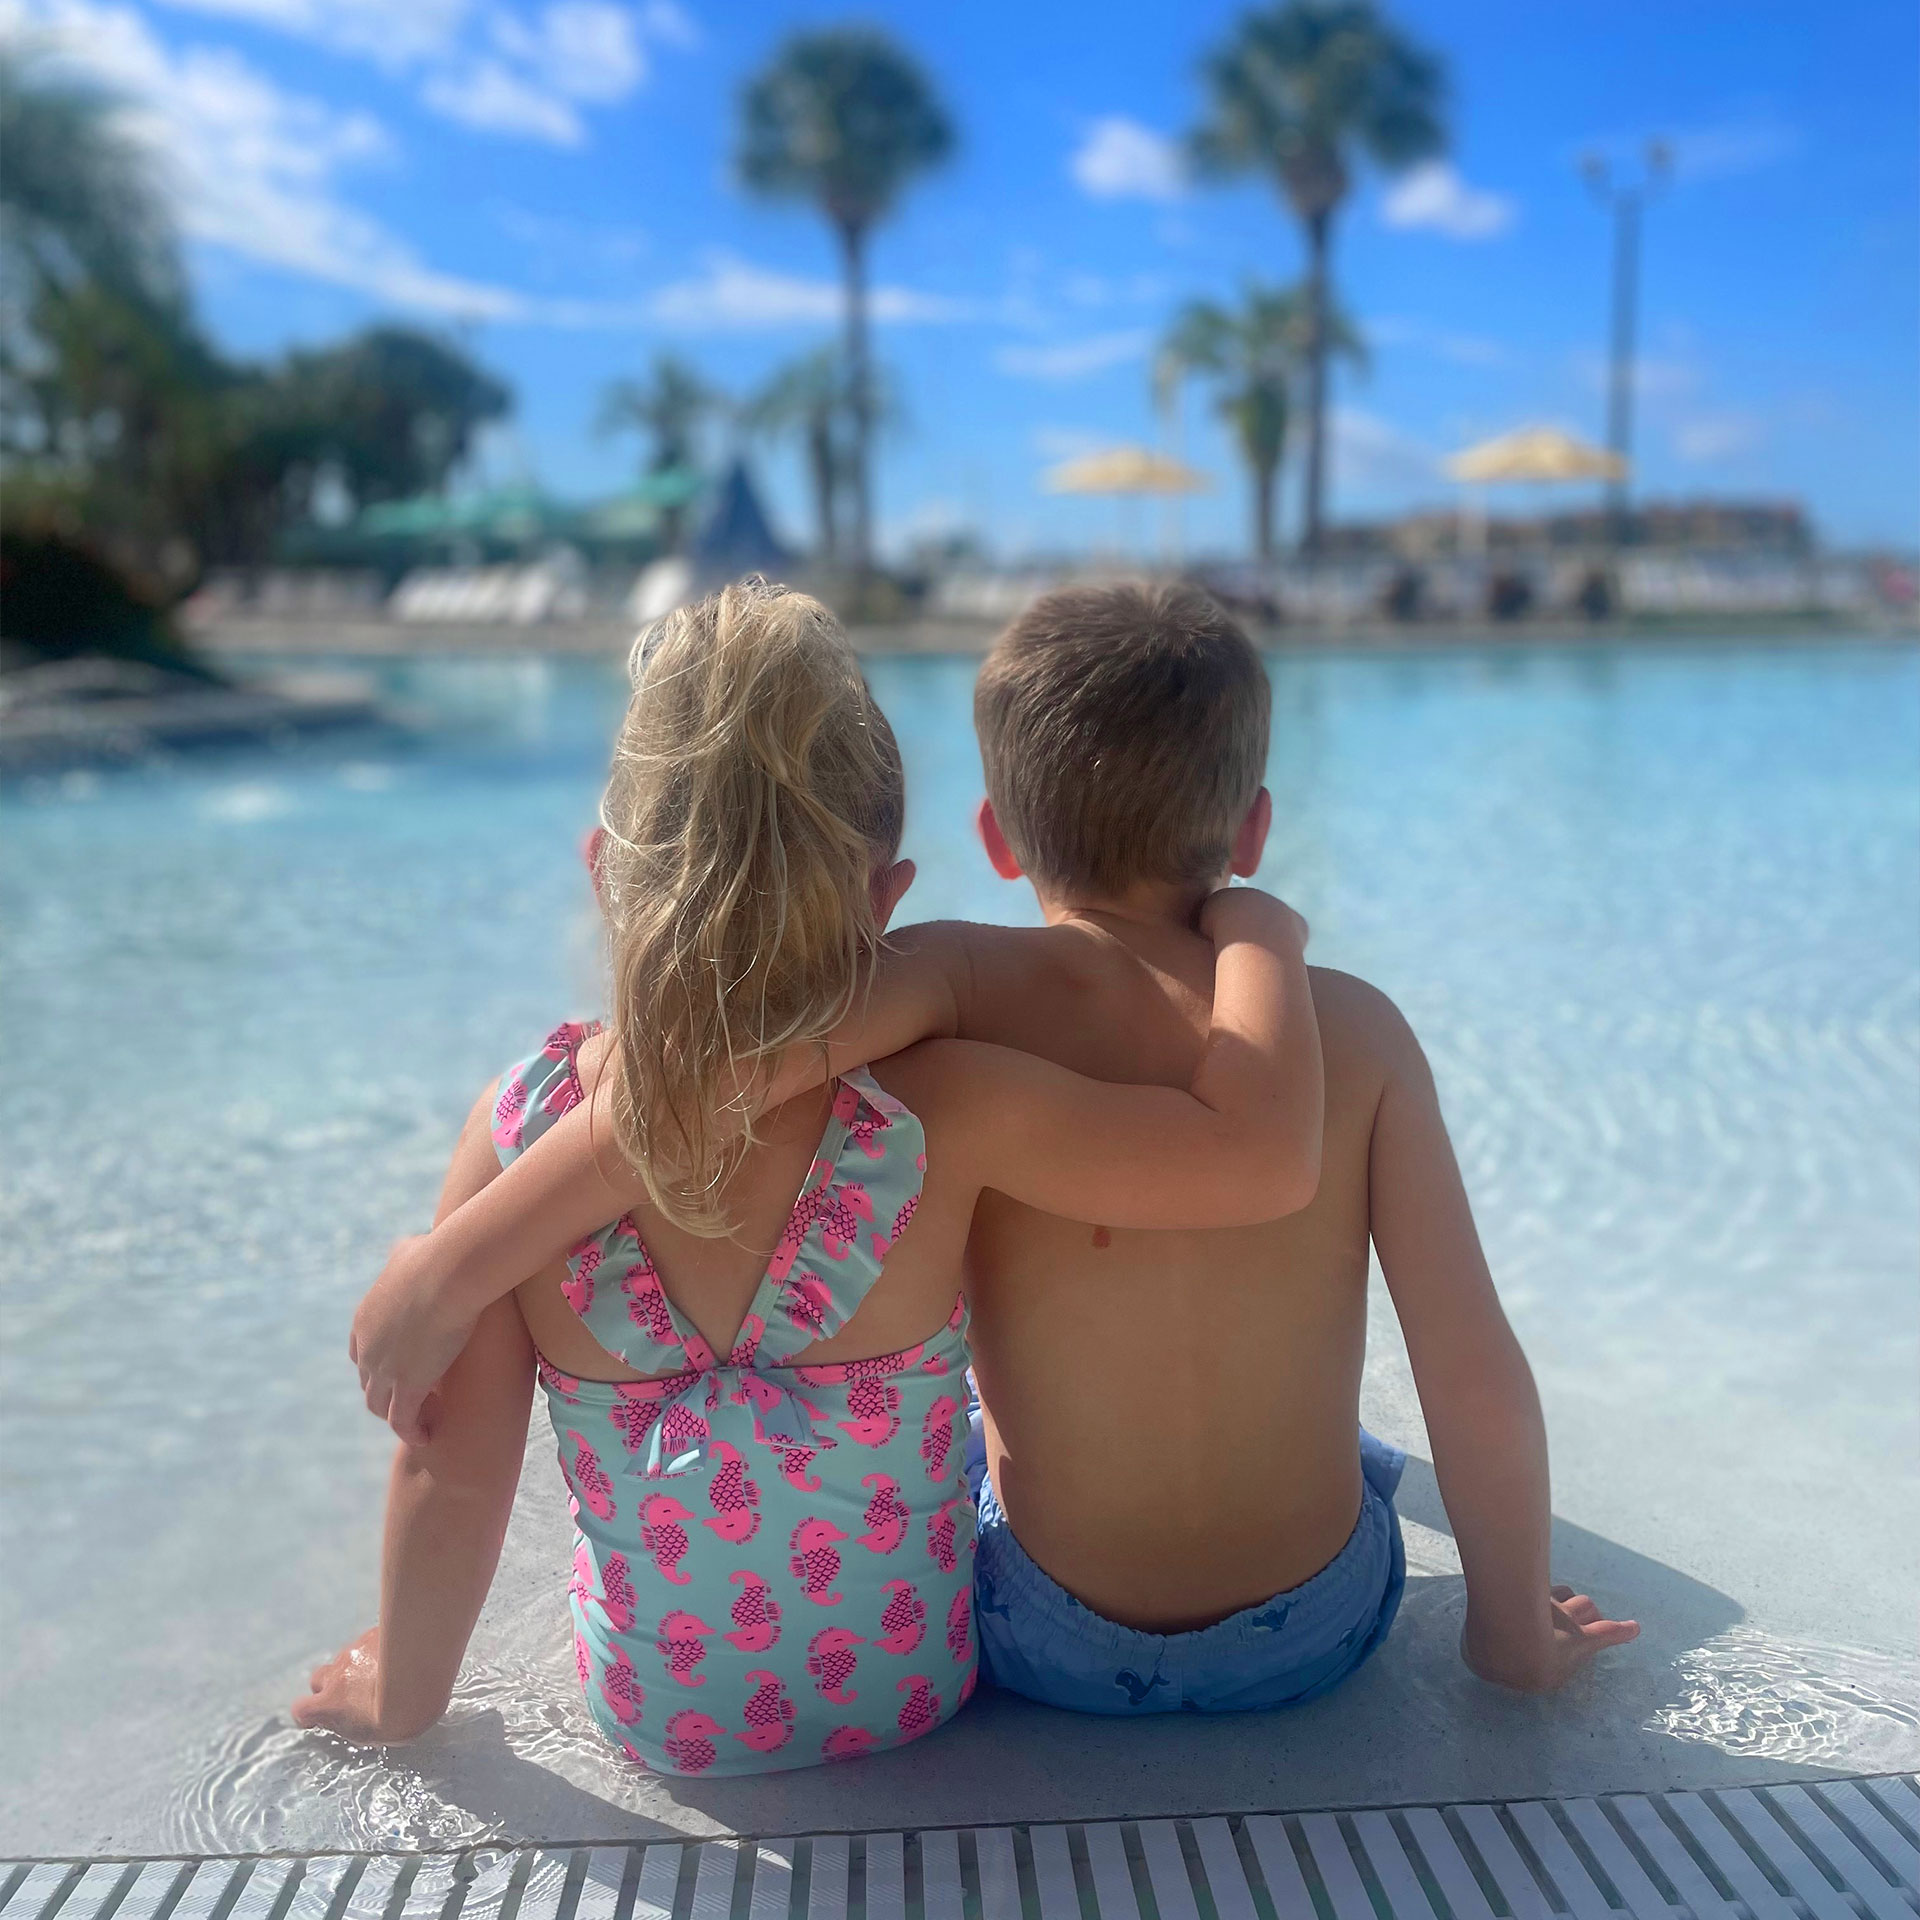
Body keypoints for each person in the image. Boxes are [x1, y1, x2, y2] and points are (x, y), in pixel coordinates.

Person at [346, 582, 1636, 1717]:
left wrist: (455, 1263)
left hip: (1051, 1645)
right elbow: (1472, 1373)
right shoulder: (1358, 1033)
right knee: (1363, 1452)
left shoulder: (957, 986)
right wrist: (1513, 1632)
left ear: (997, 839)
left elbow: (732, 1085)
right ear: (1249, 832)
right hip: (1318, 1635)